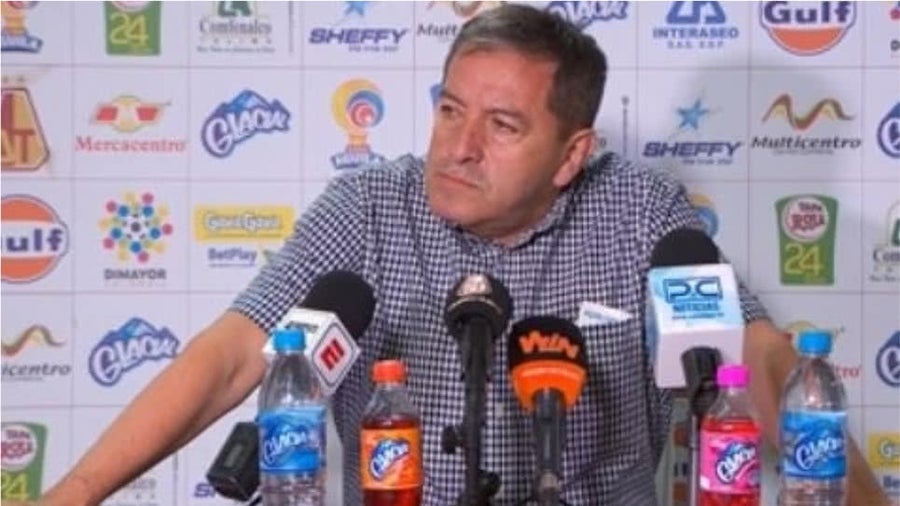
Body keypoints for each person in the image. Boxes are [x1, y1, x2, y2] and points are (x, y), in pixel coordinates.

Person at [28, 4, 887, 506]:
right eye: (449, 110)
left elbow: (758, 359)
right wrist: (71, 497)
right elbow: (229, 357)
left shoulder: (639, 210)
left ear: (571, 154)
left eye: (502, 125)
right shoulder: (368, 207)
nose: (460, 147)